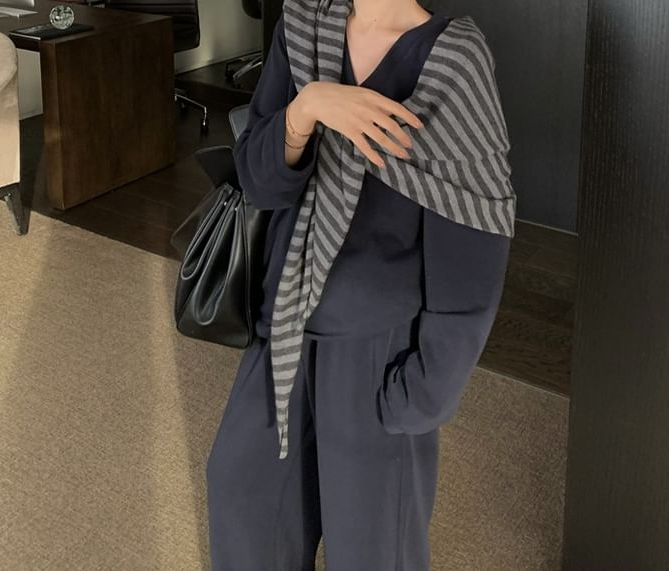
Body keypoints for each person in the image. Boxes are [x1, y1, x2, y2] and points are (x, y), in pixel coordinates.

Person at [206, 1, 512, 569]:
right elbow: (258, 181)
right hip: (285, 320)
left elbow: (475, 232)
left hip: (379, 347)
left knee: (371, 546)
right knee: (243, 502)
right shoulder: (304, 26)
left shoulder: (453, 58)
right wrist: (305, 109)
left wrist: (426, 389)